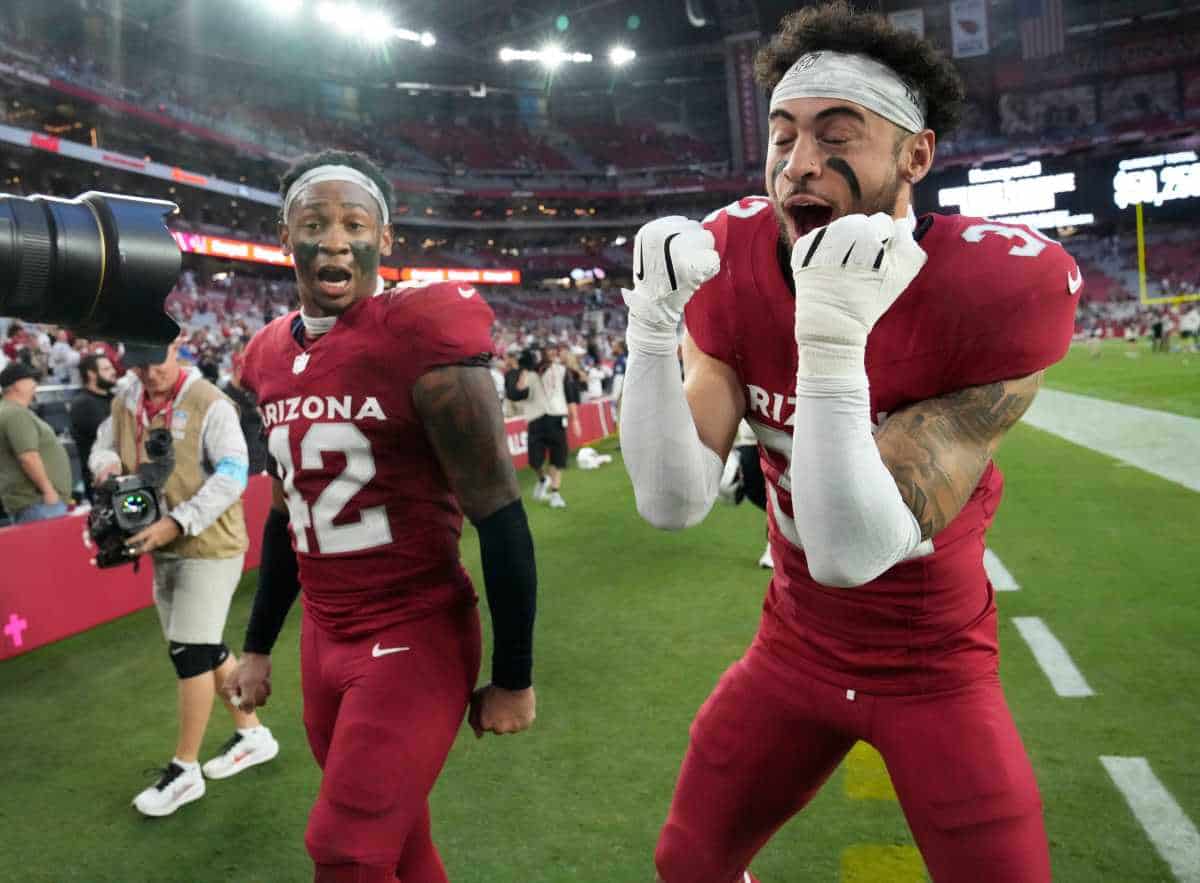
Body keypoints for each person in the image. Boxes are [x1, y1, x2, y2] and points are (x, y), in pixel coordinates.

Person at [619, 4, 1082, 881]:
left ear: (916, 154)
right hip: (792, 646)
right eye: (783, 134)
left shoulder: (989, 289)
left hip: (933, 662)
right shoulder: (737, 258)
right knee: (689, 862)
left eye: (839, 135)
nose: (798, 164)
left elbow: (848, 550)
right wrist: (650, 329)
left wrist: (830, 342)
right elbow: (672, 502)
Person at [221, 149, 538, 883]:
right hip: (324, 641)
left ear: (384, 239)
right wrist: (261, 643)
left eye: (353, 222)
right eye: (315, 223)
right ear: (284, 236)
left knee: (345, 850)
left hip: (414, 631)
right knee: (400, 846)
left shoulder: (421, 329)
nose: (334, 239)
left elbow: (498, 510)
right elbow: (284, 514)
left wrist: (515, 674)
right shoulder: (265, 354)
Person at [89, 340, 277, 818]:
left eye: (157, 362)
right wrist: (107, 467)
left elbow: (234, 474)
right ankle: (253, 735)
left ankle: (185, 769)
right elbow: (103, 445)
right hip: (162, 546)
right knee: (205, 646)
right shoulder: (126, 396)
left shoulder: (211, 402)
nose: (149, 374)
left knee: (188, 652)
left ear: (177, 352)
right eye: (139, 364)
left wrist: (178, 521)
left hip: (209, 545)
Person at [0, 362, 71, 525]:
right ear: (17, 385)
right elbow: (28, 456)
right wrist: (48, 490)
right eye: (30, 379)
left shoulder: (9, 410)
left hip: (32, 503)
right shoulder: (15, 413)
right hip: (38, 503)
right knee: (52, 549)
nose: (35, 384)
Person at [516, 345, 570, 508]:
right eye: (548, 351)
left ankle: (555, 493)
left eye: (554, 350)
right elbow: (520, 388)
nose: (552, 353)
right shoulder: (529, 373)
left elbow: (568, 364)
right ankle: (542, 479)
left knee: (557, 458)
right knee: (534, 461)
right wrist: (525, 368)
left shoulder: (559, 370)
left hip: (556, 417)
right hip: (536, 418)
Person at [69, 353, 117, 501]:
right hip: (100, 482)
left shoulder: (113, 398)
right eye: (106, 369)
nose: (113, 371)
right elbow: (111, 437)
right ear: (91, 374)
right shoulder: (83, 403)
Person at [221, 351, 269, 475]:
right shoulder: (223, 399)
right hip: (239, 467)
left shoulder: (253, 394)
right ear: (238, 371)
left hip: (261, 463)